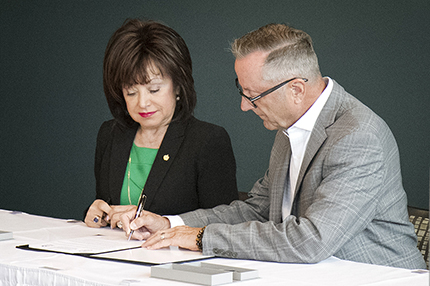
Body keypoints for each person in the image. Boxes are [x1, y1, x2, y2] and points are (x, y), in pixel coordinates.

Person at [119, 23, 426, 269]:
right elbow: (258, 209)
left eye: (253, 95)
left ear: (295, 89)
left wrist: (200, 237)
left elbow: (311, 241)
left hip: (377, 277)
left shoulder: (359, 137)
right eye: (242, 90)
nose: (244, 105)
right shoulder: (287, 127)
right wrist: (170, 223)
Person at [84, 19, 238, 228]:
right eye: (131, 92)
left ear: (178, 86)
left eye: (154, 89)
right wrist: (96, 213)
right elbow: (106, 205)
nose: (143, 102)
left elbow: (225, 224)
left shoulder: (208, 141)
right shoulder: (110, 134)